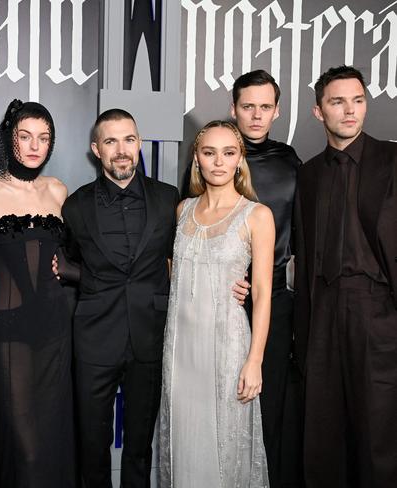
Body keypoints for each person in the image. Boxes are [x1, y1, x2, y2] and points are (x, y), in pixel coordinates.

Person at [61, 109, 180, 488]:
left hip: (150, 333)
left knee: (139, 445)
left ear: (139, 143)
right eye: (110, 141)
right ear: (97, 149)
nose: (121, 150)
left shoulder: (168, 199)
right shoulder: (75, 206)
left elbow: (186, 258)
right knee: (91, 443)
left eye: (128, 139)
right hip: (95, 337)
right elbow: (68, 262)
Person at [293, 65, 397, 488]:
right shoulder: (308, 173)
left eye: (357, 100)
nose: (350, 110)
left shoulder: (392, 160)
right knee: (323, 432)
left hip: (377, 309)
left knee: (378, 433)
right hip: (322, 309)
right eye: (337, 101)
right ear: (319, 112)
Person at [159, 120, 274, 487]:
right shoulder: (182, 211)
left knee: (225, 447)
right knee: (182, 441)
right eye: (209, 153)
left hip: (227, 347)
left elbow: (262, 292)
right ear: (197, 159)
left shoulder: (257, 215)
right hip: (180, 350)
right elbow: (175, 275)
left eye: (229, 153)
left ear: (240, 159)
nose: (219, 162)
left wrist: (254, 360)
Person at [0, 99, 74, 487]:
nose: (34, 146)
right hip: (7, 325)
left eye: (43, 138)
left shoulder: (59, 191)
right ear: (8, 138)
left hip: (53, 323)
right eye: (25, 136)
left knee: (51, 429)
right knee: (21, 437)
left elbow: (71, 258)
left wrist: (66, 269)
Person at [230, 70, 302, 487]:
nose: (256, 116)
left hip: (276, 299)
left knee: (271, 404)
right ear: (233, 108)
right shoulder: (213, 155)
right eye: (247, 106)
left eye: (264, 107)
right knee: (227, 403)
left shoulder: (289, 160)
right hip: (227, 299)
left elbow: (303, 231)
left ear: (275, 111)